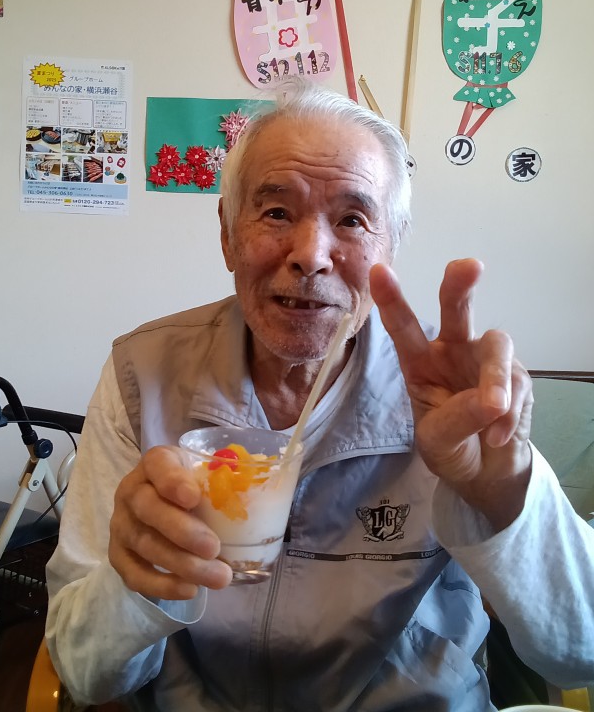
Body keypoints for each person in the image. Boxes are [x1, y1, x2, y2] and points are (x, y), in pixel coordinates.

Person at [46, 78, 594, 712]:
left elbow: (579, 651)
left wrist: (504, 492)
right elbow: (84, 673)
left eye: (353, 220)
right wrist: (138, 582)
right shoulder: (141, 375)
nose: (310, 255)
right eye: (276, 212)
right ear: (227, 234)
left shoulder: (446, 399)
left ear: (390, 247)